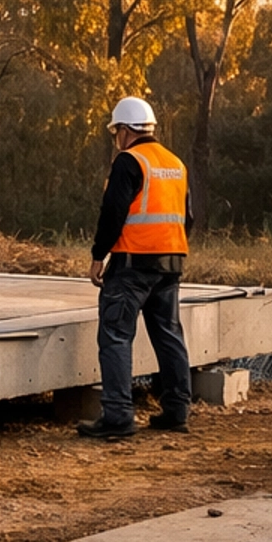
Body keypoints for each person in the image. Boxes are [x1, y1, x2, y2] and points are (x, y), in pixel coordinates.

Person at [77, 97, 192, 441]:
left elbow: (113, 211)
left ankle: (117, 416)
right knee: (169, 334)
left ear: (126, 131)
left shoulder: (129, 161)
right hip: (171, 261)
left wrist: (99, 255)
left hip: (132, 263)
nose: (116, 139)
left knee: (115, 335)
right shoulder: (176, 164)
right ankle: (176, 410)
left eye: (116, 132)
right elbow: (189, 217)